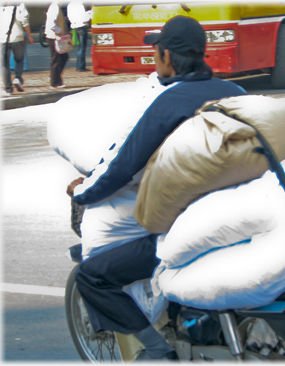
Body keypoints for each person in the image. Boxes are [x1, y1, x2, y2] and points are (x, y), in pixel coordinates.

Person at [66, 16, 246, 361]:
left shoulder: (168, 102)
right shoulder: (235, 92)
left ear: (166, 56)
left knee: (92, 276)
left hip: (186, 227)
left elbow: (121, 166)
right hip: (236, 215)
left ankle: (156, 348)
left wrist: (82, 193)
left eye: (156, 50)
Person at [0, 2, 34, 96]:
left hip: (2, 39)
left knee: (4, 64)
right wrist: (30, 35)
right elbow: (25, 21)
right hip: (17, 38)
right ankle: (17, 78)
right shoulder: (19, 5)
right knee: (19, 60)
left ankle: (8, 89)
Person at [45, 1, 69, 89]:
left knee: (63, 58)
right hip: (54, 36)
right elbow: (52, 25)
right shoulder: (55, 7)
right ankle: (55, 82)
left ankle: (54, 76)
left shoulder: (56, 6)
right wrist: (59, 31)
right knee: (56, 59)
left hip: (55, 36)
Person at [67, 0, 91, 72]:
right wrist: (89, 13)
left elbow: (69, 16)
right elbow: (84, 17)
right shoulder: (80, 5)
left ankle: (78, 66)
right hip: (81, 26)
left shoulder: (70, 5)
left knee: (80, 47)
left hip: (75, 26)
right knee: (82, 48)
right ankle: (81, 67)